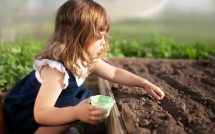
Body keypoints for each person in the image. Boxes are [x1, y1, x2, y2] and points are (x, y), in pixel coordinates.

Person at [3, 0, 165, 133]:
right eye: (99, 37)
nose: (104, 41)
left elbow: (114, 73)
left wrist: (144, 83)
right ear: (78, 38)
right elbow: (41, 114)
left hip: (51, 110)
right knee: (77, 104)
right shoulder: (56, 71)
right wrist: (75, 112)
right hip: (27, 118)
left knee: (81, 99)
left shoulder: (85, 59)